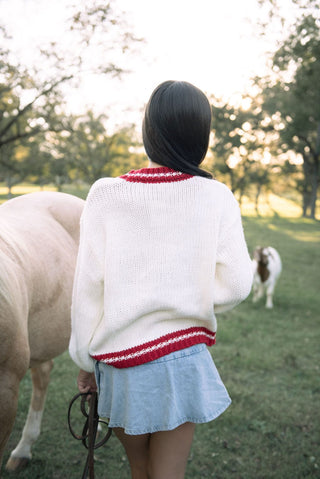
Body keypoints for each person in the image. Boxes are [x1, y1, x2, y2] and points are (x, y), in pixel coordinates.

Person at [69, 80, 253, 479]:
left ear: (149, 130)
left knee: (140, 469)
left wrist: (85, 362)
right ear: (201, 135)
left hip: (121, 363)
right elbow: (238, 284)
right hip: (180, 360)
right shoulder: (216, 195)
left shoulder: (105, 194)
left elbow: (87, 290)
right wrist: (189, 294)